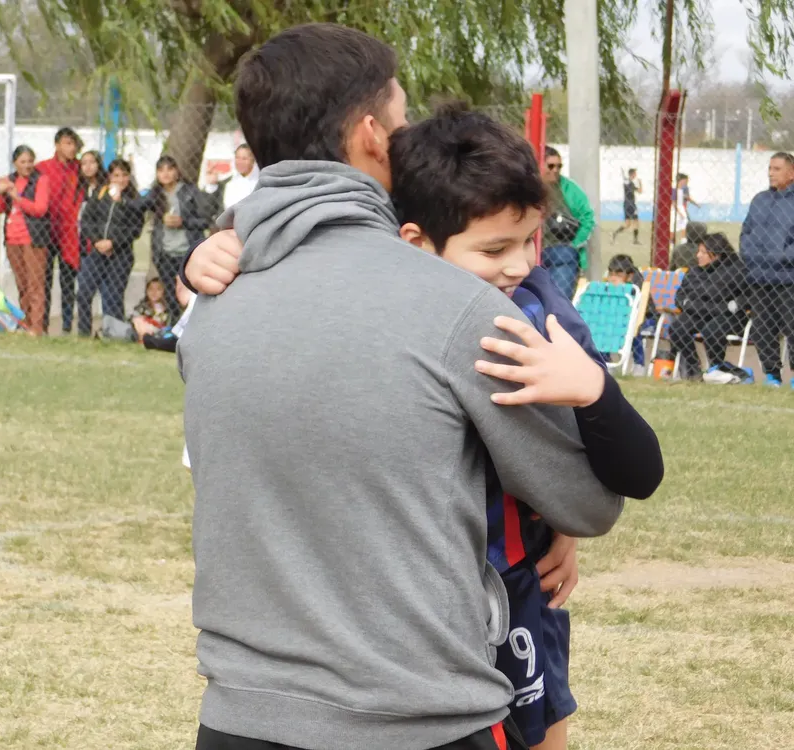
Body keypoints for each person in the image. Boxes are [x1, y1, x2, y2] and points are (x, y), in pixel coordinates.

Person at [178, 24, 624, 750]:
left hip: (238, 718)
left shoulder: (213, 300)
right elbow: (588, 498)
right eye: (402, 115)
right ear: (371, 137)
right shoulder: (454, 305)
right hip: (418, 721)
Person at [740, 151, 794, 387]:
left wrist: (782, 257)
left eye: (777, 169)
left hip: (788, 278)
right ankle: (772, 374)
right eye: (769, 168)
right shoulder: (759, 200)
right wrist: (751, 258)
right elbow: (746, 234)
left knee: (792, 328)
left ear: (791, 172)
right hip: (758, 277)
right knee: (763, 329)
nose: (771, 173)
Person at [76, 158, 147, 336]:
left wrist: (113, 242)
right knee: (84, 291)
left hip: (120, 254)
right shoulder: (100, 193)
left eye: (124, 175)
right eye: (116, 175)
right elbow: (87, 221)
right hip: (97, 251)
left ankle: (113, 333)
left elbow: (135, 229)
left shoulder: (133, 199)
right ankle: (84, 332)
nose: (120, 179)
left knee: (113, 296)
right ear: (109, 177)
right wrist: (96, 240)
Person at [669, 233, 751, 384]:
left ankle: (719, 369)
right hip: (699, 313)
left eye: (703, 252)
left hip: (727, 316)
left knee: (711, 331)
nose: (698, 255)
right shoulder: (694, 271)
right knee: (677, 328)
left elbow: (747, 296)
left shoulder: (736, 270)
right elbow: (680, 296)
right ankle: (694, 370)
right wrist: (687, 303)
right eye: (698, 251)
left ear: (717, 254)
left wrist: (731, 306)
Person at [0, 145, 51, 336]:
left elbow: (40, 209)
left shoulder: (40, 180)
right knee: (22, 284)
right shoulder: (10, 180)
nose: (27, 165)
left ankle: (37, 326)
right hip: (13, 238)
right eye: (22, 162)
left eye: (30, 161)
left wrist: (18, 198)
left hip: (32, 238)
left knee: (35, 284)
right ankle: (26, 321)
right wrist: (1, 192)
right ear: (15, 163)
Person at [150, 154, 209, 319]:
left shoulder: (189, 191)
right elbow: (138, 207)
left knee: (191, 293)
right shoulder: (155, 195)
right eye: (161, 170)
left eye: (170, 169)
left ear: (177, 171)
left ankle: (193, 326)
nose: (165, 173)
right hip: (165, 253)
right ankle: (173, 327)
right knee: (170, 294)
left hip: (187, 252)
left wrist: (183, 222)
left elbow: (205, 220)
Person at [37, 126, 83, 334]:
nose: (71, 148)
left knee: (67, 282)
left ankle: (66, 324)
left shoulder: (80, 169)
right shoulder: (43, 168)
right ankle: (42, 323)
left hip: (69, 235)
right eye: (67, 143)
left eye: (73, 144)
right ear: (57, 145)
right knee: (44, 280)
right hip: (47, 232)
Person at [541, 146, 595, 300]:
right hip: (533, 249)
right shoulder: (528, 186)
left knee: (558, 302)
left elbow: (587, 217)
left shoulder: (569, 188)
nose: (555, 170)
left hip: (561, 249)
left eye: (559, 166)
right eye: (550, 166)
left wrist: (575, 244)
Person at [606, 254, 654, 376]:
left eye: (618, 275)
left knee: (633, 329)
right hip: (617, 318)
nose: (613, 278)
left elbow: (643, 309)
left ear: (629, 276)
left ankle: (639, 364)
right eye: (611, 274)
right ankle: (606, 361)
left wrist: (624, 289)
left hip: (644, 319)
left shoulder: (637, 285)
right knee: (603, 328)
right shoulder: (608, 287)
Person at [204, 143, 258, 216]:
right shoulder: (225, 184)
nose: (240, 162)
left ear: (253, 160)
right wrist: (211, 185)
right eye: (237, 158)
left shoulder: (260, 183)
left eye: (244, 158)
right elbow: (207, 210)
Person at [611, 168, 642, 245]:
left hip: (626, 205)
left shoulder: (628, 183)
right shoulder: (630, 183)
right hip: (631, 205)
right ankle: (635, 240)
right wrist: (640, 183)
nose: (636, 175)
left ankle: (615, 233)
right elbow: (640, 191)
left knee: (627, 224)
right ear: (632, 174)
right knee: (636, 222)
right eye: (635, 173)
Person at [672, 173, 700, 243]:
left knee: (684, 224)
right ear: (680, 181)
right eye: (685, 181)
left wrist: (696, 204)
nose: (686, 182)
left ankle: (683, 241)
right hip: (675, 210)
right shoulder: (674, 190)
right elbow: (673, 203)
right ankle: (671, 241)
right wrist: (679, 212)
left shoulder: (683, 189)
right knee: (672, 227)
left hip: (681, 209)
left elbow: (687, 198)